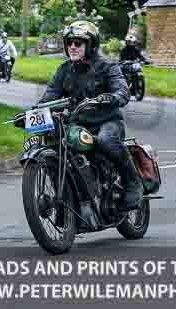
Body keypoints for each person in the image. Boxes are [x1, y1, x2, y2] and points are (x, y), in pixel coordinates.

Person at [38, 21, 142, 211]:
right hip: (77, 125)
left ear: (91, 45)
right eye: (69, 43)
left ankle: (132, 184)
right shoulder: (64, 70)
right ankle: (67, 202)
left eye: (78, 43)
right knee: (57, 147)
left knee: (105, 141)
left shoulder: (107, 66)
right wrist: (35, 111)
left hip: (107, 122)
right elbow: (50, 96)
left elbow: (122, 90)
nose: (73, 47)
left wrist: (112, 97)